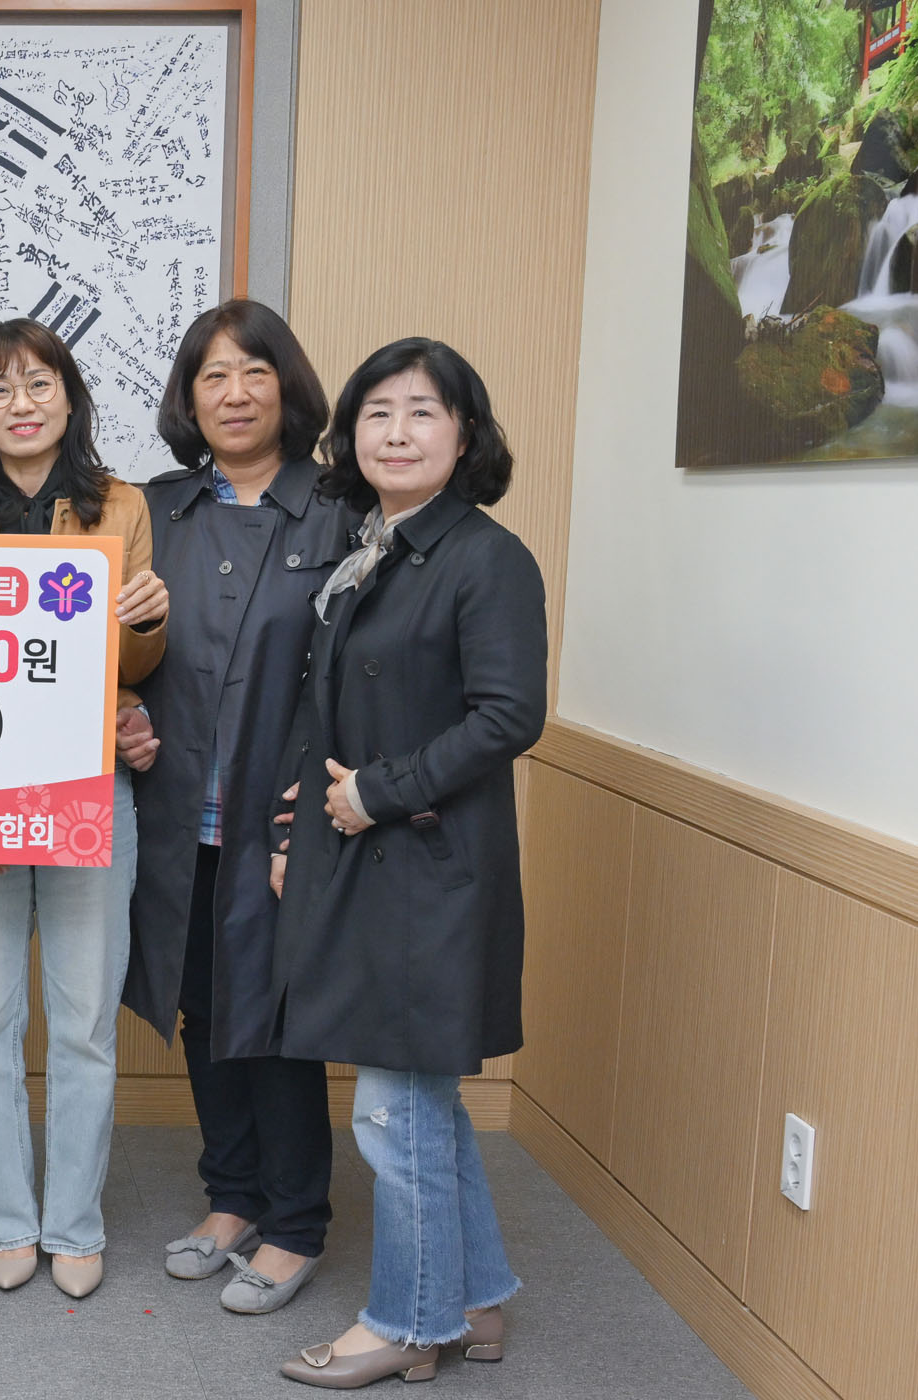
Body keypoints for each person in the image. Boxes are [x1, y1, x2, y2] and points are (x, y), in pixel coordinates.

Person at [267, 339, 545, 1388]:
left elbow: (510, 716)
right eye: (376, 412)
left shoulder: (486, 557)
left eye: (423, 411)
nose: (396, 431)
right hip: (368, 855)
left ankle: (406, 1322)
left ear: (465, 435)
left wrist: (376, 792)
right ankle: (474, 1297)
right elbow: (333, 704)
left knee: (394, 1107)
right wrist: (298, 821)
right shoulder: (372, 548)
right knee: (422, 1097)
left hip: (431, 867)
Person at [0, 318, 169, 1298]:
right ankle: (7, 1218)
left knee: (84, 1019)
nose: (21, 404)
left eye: (38, 384)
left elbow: (135, 665)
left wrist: (146, 622)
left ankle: (74, 1222)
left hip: (89, 782)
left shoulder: (121, 504)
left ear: (70, 397)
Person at [118, 300, 353, 1313]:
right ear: (190, 396)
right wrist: (121, 711)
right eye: (213, 375)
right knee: (205, 1005)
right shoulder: (153, 509)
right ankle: (232, 1197)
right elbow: (110, 648)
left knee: (280, 1014)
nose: (235, 392)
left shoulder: (342, 508)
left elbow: (363, 671)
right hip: (181, 811)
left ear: (286, 386)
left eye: (255, 371)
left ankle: (296, 1221)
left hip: (288, 815)